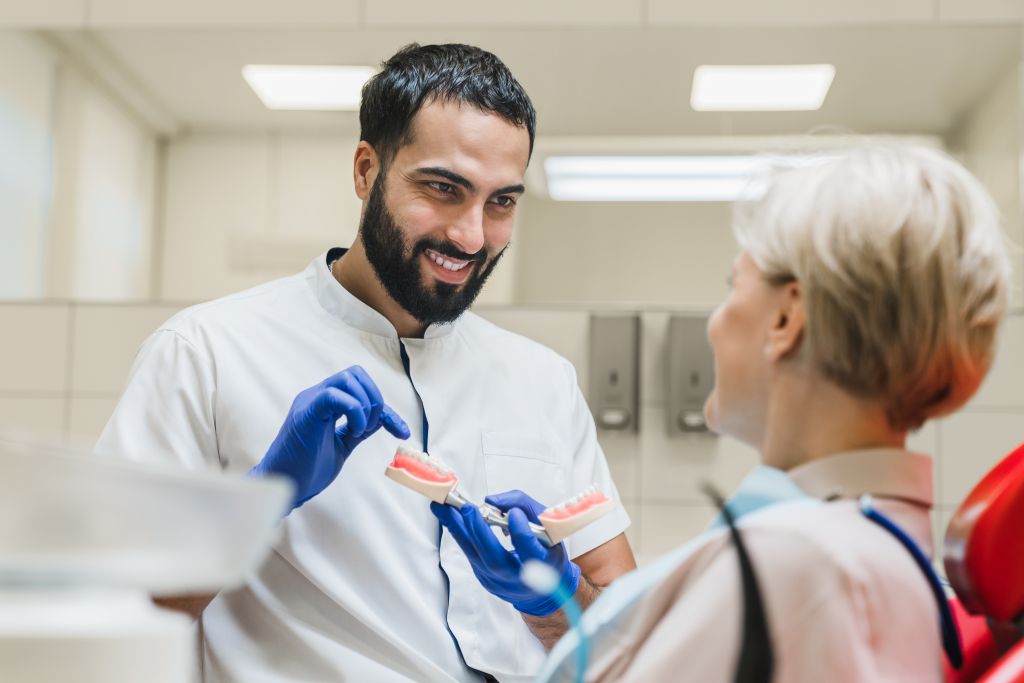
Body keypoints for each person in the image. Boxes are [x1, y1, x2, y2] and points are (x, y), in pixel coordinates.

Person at [96, 43, 635, 683]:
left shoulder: (543, 381)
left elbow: (633, 638)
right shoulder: (206, 353)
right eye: (443, 188)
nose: (470, 235)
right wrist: (261, 501)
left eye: (502, 202)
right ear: (364, 170)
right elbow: (111, 613)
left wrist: (555, 602)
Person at [512, 143, 1009, 681]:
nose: (716, 324)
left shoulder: (797, 562)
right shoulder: (860, 542)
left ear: (786, 318)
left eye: (734, 288)